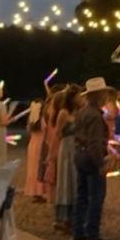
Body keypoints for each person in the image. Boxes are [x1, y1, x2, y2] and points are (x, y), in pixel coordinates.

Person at [72, 78, 114, 240]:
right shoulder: (95, 116)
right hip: (91, 157)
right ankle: (92, 232)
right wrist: (101, 163)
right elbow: (95, 142)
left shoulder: (81, 112)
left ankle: (78, 230)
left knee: (81, 195)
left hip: (79, 154)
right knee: (96, 196)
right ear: (99, 95)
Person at [50, 86, 79, 231]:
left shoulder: (77, 112)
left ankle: (74, 215)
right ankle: (63, 217)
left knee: (75, 179)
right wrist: (51, 153)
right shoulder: (63, 113)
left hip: (76, 147)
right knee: (65, 179)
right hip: (66, 148)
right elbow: (57, 134)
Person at [23, 98, 47, 203]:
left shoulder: (31, 120)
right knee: (39, 168)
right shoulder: (42, 120)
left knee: (32, 168)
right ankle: (39, 191)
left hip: (32, 144)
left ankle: (34, 191)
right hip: (41, 144)